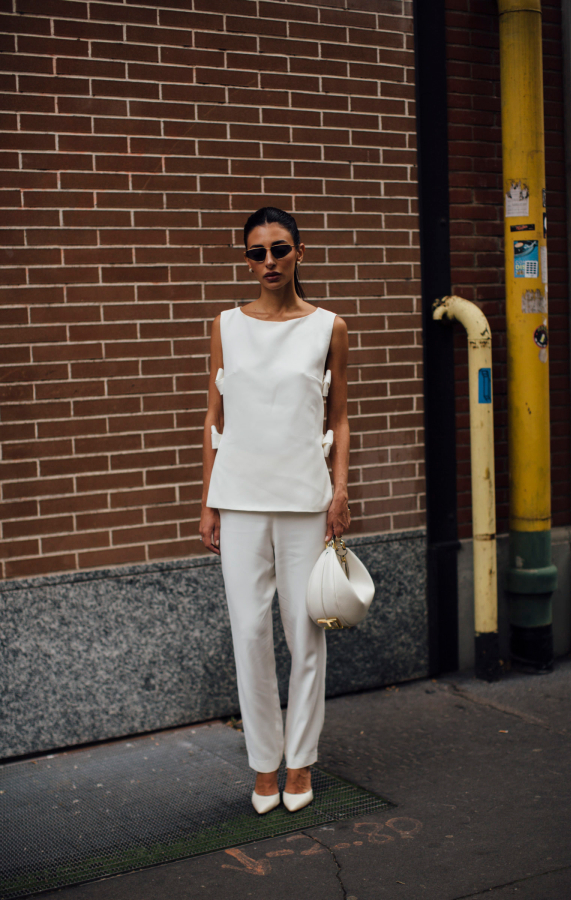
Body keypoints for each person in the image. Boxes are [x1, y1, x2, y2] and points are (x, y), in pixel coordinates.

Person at [199, 207, 350, 814]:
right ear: (246, 259)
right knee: (250, 633)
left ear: (300, 252)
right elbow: (213, 420)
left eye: (279, 250)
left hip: (304, 500)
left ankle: (300, 761)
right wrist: (207, 501)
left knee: (304, 634)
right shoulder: (226, 325)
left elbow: (338, 418)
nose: (268, 263)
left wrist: (339, 492)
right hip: (237, 502)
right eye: (256, 253)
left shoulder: (328, 327)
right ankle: (264, 765)